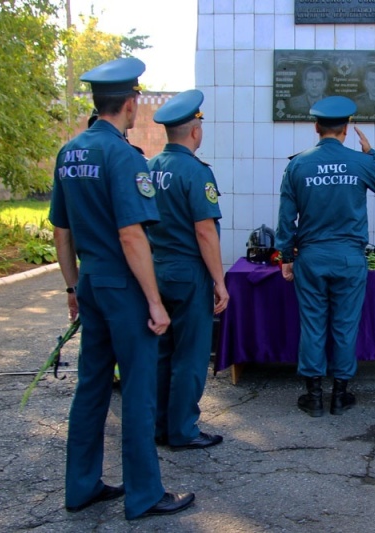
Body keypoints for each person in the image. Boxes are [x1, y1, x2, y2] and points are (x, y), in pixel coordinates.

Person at [49, 57, 195, 520]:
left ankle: (81, 486)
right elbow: (132, 235)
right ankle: (144, 495)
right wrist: (155, 302)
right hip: (123, 288)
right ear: (131, 103)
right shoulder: (124, 156)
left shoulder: (69, 152)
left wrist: (72, 287)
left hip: (91, 282)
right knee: (137, 389)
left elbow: (61, 232)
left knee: (91, 387)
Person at [276, 96, 375, 417]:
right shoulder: (360, 163)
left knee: (313, 325)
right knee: (345, 326)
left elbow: (285, 218)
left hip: (312, 259)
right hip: (349, 259)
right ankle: (340, 396)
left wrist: (286, 257)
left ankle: (314, 397)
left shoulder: (298, 164)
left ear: (316, 127)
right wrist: (371, 153)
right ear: (346, 129)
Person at [146, 89, 229, 449]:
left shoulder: (148, 168)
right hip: (187, 273)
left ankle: (160, 425)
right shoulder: (196, 173)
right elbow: (204, 231)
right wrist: (219, 281)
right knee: (191, 355)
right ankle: (183, 431)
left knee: (162, 353)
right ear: (195, 131)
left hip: (154, 270)